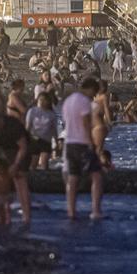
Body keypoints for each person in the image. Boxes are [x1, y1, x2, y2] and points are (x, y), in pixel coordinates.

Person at [0, 107, 31, 224]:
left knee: (20, 181)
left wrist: (16, 164)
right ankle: (0, 213)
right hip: (4, 149)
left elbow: (23, 147)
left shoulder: (12, 125)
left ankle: (26, 216)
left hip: (21, 150)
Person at [61, 76, 103, 220]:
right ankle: (95, 210)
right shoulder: (84, 101)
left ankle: (71, 211)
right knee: (97, 176)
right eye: (94, 93)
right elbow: (86, 123)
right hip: (82, 143)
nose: (93, 97)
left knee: (73, 178)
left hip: (69, 143)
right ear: (90, 89)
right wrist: (91, 143)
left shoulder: (67, 101)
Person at [25, 91, 58, 169]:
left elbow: (54, 130)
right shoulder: (32, 111)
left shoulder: (51, 114)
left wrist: (56, 142)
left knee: (44, 163)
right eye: (40, 100)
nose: (42, 102)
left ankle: (44, 178)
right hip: (34, 139)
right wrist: (26, 139)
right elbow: (28, 127)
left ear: (48, 102)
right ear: (37, 100)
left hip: (46, 141)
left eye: (44, 100)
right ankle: (32, 179)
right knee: (33, 164)